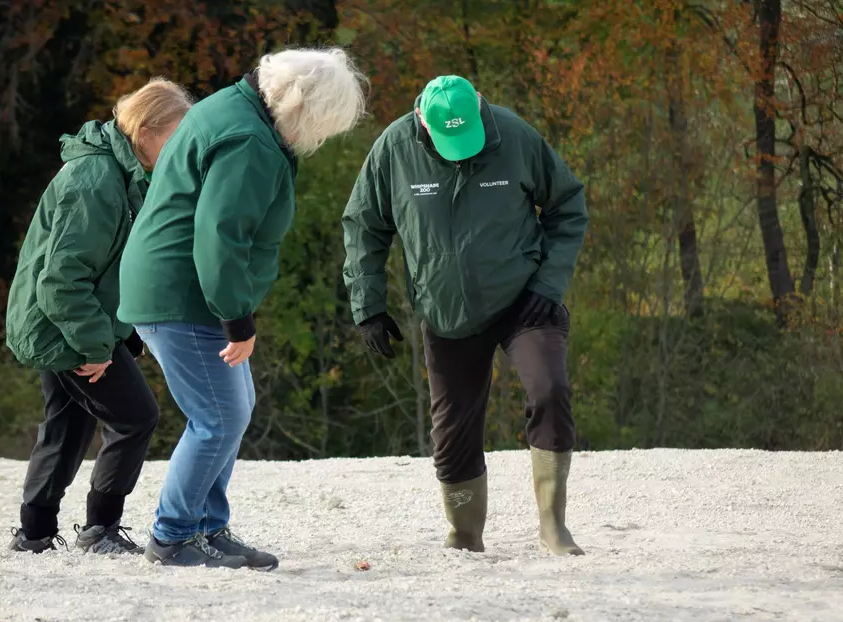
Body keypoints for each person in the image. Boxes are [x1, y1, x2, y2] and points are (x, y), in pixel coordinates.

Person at [118, 47, 367, 570]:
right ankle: (172, 535)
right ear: (305, 109)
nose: (318, 138)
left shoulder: (230, 108)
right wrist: (237, 316)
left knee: (233, 409)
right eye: (323, 125)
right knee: (218, 417)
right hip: (184, 293)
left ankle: (208, 528)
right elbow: (220, 238)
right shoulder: (249, 140)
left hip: (178, 287)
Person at [342, 75, 589, 556]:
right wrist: (368, 306)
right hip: (446, 307)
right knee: (452, 427)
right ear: (422, 122)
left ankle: (553, 527)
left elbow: (567, 205)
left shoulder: (514, 136)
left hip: (525, 298)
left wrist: (549, 283)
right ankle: (465, 533)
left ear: (480, 110)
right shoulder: (393, 149)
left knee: (550, 389)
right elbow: (364, 225)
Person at [4, 78, 194, 554]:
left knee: (67, 426)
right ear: (146, 130)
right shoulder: (96, 179)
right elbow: (60, 279)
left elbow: (112, 264)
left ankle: (34, 534)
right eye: (177, 134)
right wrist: (95, 344)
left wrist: (122, 330)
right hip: (62, 325)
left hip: (70, 320)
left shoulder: (124, 173)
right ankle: (100, 529)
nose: (182, 147)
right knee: (136, 417)